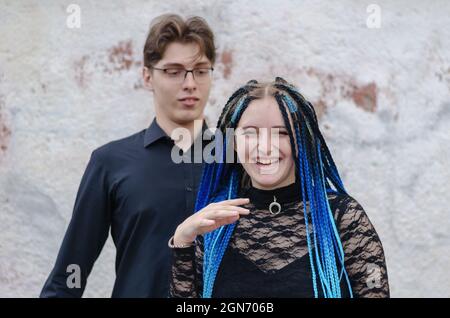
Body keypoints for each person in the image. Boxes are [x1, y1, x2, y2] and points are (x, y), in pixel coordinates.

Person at [40, 14, 216, 297]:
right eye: (173, 71)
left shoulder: (237, 159)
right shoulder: (110, 162)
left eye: (201, 70)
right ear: (147, 76)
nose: (190, 83)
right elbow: (70, 272)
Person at [169, 78, 390, 298]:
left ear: (301, 141)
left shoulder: (343, 218)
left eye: (281, 133)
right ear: (232, 142)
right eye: (250, 133)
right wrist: (182, 240)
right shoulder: (214, 223)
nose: (265, 147)